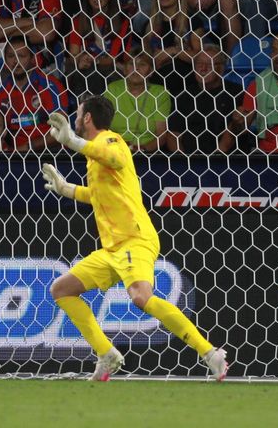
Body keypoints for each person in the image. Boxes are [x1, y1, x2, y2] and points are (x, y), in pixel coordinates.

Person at [40, 96, 228, 381]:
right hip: (112, 248)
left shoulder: (111, 141)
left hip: (134, 239)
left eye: (78, 114)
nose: (75, 119)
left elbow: (113, 157)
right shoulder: (95, 156)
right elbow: (100, 194)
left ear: (87, 118)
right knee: (62, 290)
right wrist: (66, 189)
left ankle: (210, 353)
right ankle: (106, 354)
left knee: (141, 297)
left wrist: (72, 142)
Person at [0, 37, 69, 152]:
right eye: (11, 56)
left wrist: (28, 147)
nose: (15, 61)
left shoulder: (50, 86)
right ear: (5, 59)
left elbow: (62, 130)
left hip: (50, 153)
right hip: (14, 157)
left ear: (33, 58)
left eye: (21, 56)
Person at [168, 45, 247, 154]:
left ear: (221, 68)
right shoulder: (183, 95)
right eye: (199, 64)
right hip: (189, 161)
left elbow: (235, 131)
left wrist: (214, 160)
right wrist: (182, 161)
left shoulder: (236, 92)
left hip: (225, 160)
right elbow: (173, 135)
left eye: (209, 64)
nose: (203, 69)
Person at [66, 0, 135, 97]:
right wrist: (79, 60)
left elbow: (113, 59)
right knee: (79, 72)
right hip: (87, 70)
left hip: (114, 72)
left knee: (100, 75)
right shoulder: (78, 20)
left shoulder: (123, 20)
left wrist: (94, 60)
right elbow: (73, 54)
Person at [104, 49, 173, 152]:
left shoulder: (160, 93)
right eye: (131, 64)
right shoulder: (112, 89)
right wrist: (120, 147)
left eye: (142, 64)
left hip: (148, 154)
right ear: (125, 70)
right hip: (116, 151)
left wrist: (142, 149)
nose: (136, 68)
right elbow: (103, 130)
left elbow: (161, 135)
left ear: (151, 71)